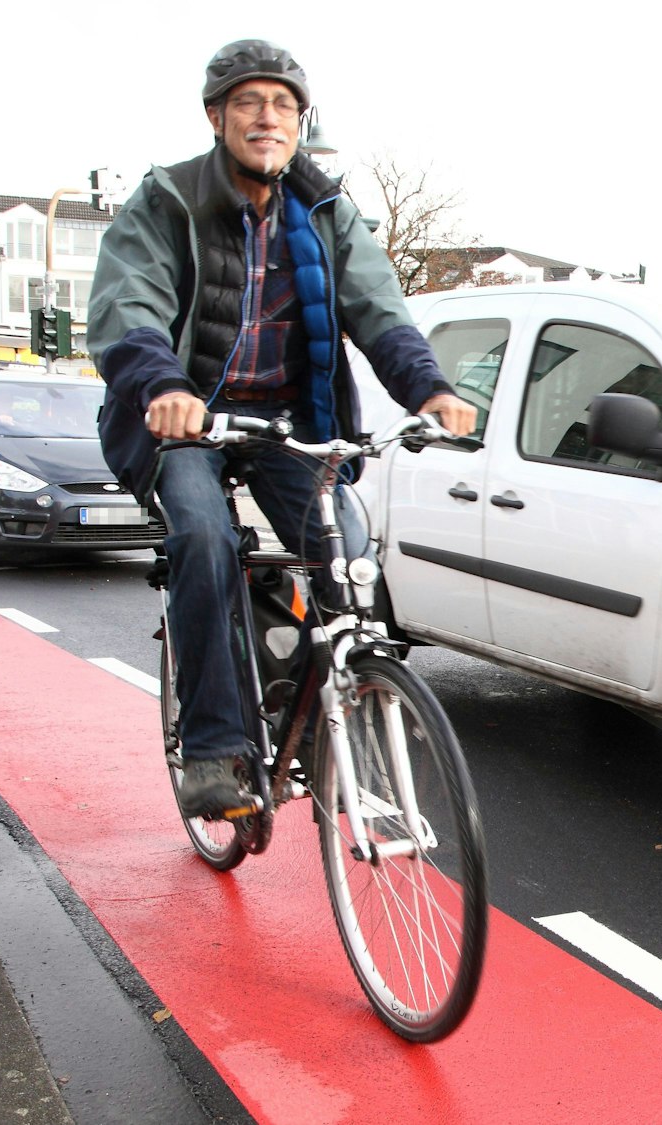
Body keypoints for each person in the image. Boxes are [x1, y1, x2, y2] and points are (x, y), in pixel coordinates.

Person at [88, 39, 476, 818]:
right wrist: (164, 386)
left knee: (348, 550)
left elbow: (379, 310)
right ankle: (217, 749)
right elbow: (129, 309)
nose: (267, 117)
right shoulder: (168, 200)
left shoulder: (326, 212)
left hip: (286, 419)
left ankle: (319, 710)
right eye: (248, 103)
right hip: (185, 416)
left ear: (300, 121)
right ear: (216, 117)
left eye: (283, 105)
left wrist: (429, 389)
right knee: (204, 537)